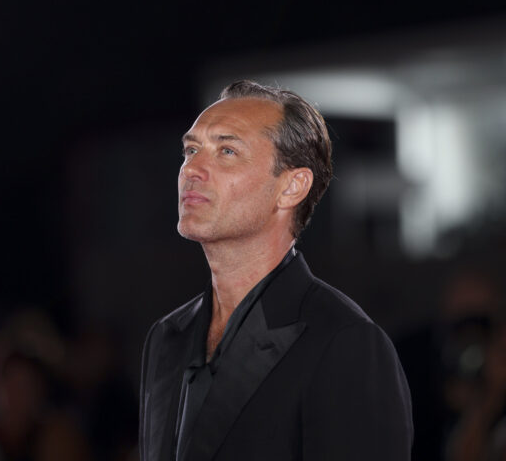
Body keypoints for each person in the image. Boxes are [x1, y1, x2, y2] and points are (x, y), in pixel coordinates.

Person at [138, 80, 413, 461]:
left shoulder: (345, 342)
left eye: (227, 151)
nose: (192, 169)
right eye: (191, 150)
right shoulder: (167, 337)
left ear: (292, 187)